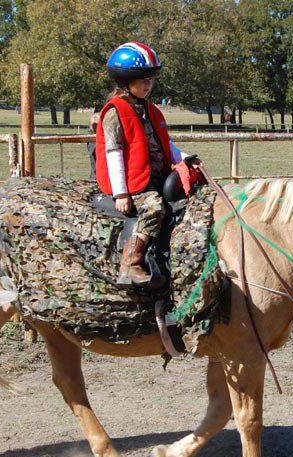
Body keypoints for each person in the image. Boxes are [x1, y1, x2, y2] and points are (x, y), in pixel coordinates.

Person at [95, 42, 198, 288]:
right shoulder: (115, 112)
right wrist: (121, 192)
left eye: (150, 80)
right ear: (124, 81)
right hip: (133, 183)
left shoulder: (151, 111)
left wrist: (186, 160)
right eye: (142, 80)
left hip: (153, 176)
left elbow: (165, 145)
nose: (148, 85)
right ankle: (130, 263)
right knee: (154, 207)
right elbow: (113, 153)